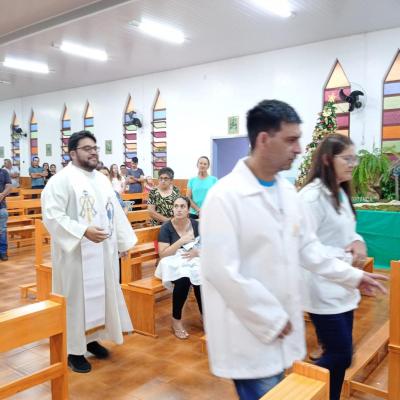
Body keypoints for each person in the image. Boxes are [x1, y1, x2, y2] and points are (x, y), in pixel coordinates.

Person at [200, 99, 387, 400]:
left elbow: (308, 248)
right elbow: (220, 271)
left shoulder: (286, 191)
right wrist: (271, 318)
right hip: (249, 332)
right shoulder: (225, 196)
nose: (300, 149)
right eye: (291, 139)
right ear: (264, 139)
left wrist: (352, 276)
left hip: (280, 328)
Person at [41, 130, 136, 374]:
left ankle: (91, 339)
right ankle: (74, 351)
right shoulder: (60, 181)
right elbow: (52, 216)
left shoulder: (101, 180)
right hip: (75, 257)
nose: (93, 151)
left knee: (101, 296)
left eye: (95, 147)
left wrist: (123, 243)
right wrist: (83, 231)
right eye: (87, 148)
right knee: (76, 301)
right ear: (72, 153)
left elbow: (114, 212)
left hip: (103, 252)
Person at [299, 134, 366, 400]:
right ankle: (292, 390)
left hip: (344, 288)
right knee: (340, 354)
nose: (353, 164)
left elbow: (347, 233)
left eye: (355, 158)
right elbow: (307, 250)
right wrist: (349, 265)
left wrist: (358, 242)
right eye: (347, 158)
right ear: (328, 159)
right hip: (322, 290)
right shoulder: (311, 197)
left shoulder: (340, 192)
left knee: (339, 357)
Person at [155, 196, 202, 339]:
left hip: (191, 258)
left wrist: (197, 252)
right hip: (171, 261)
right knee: (184, 279)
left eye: (182, 206)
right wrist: (180, 241)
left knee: (201, 277)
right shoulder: (166, 227)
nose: (179, 209)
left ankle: (205, 316)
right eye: (176, 206)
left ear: (188, 210)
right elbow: (163, 254)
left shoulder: (195, 224)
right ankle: (176, 320)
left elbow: (205, 244)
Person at [0, 168, 12, 261]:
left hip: (1, 206)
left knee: (2, 230)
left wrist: (2, 195)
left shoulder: (3, 172)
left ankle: (3, 252)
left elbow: (9, 186)